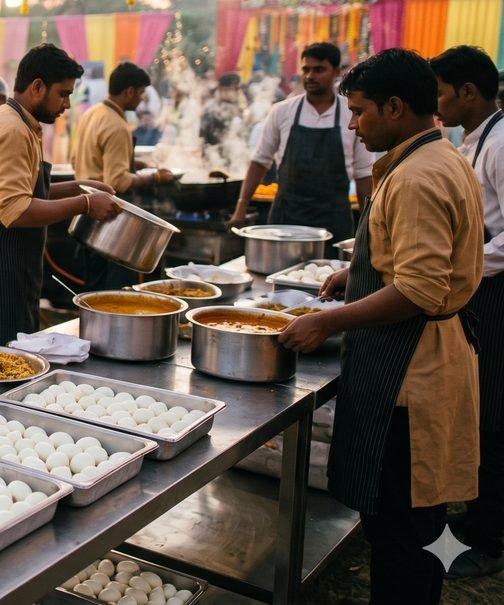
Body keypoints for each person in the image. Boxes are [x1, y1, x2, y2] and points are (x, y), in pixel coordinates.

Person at [280, 48, 483, 605]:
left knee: (403, 531)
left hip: (412, 376)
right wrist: (361, 270)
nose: (351, 123)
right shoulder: (435, 158)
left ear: (395, 107)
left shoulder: (418, 176)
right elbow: (416, 261)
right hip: (420, 360)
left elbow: (418, 290)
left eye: (361, 111)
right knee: (403, 526)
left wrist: (327, 324)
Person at [0, 44, 120, 345]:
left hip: (7, 270)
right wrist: (85, 203)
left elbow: (22, 192)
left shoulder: (21, 123)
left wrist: (80, 186)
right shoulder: (11, 129)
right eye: (63, 94)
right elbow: (15, 210)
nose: (66, 104)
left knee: (15, 365)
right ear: (37, 87)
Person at [431, 45, 504, 578]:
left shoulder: (502, 144)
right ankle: (475, 515)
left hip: (497, 292)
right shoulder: (474, 141)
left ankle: (487, 538)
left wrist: (466, 263)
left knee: (496, 418)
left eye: (440, 93)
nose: (435, 104)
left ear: (469, 93)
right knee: (481, 413)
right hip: (479, 288)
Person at [230, 43, 373, 241]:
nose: (310, 76)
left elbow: (364, 174)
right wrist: (241, 206)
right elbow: (260, 161)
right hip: (286, 218)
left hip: (334, 219)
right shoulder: (282, 111)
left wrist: (369, 226)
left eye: (319, 70)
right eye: (306, 69)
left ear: (337, 72)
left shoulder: (352, 113)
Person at [71, 63, 175, 290]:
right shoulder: (117, 125)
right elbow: (117, 181)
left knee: (91, 286)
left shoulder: (92, 114)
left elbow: (80, 158)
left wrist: (132, 162)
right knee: (110, 291)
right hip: (108, 222)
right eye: (140, 93)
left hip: (86, 213)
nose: (141, 100)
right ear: (129, 91)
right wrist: (155, 177)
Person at [199, 72, 243, 147]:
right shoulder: (212, 109)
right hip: (215, 153)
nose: (237, 92)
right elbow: (207, 137)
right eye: (234, 89)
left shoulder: (237, 108)